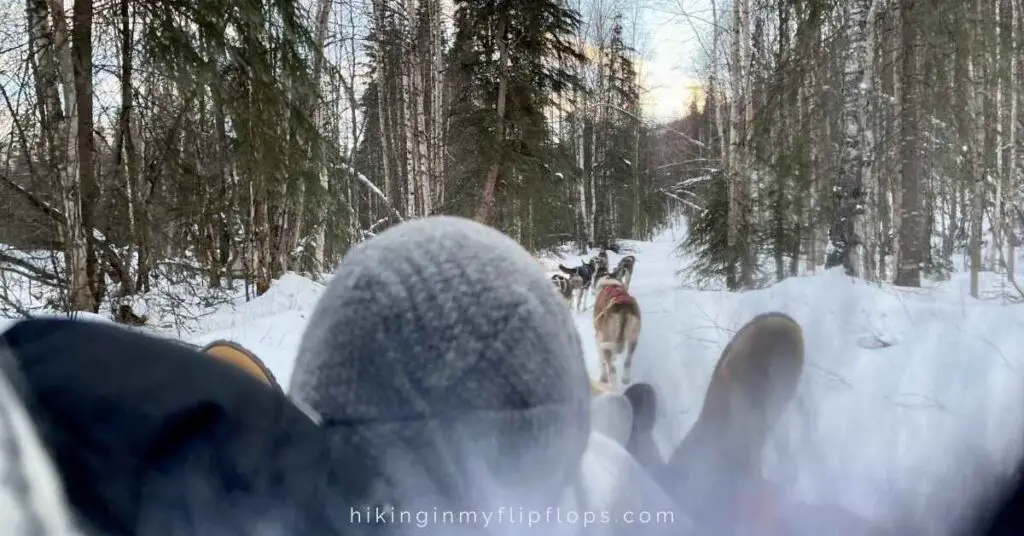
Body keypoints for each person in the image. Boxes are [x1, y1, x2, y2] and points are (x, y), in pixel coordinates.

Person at [288, 215, 683, 535]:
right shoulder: (606, 489)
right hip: (583, 467)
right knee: (609, 433)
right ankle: (622, 424)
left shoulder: (289, 506)